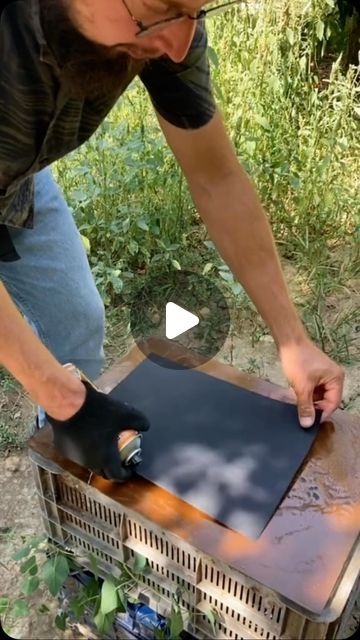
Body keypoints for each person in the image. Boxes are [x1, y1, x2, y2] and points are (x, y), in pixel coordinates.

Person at [0, 0, 344, 480]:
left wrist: (293, 341)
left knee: (78, 322)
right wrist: (62, 397)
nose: (180, 43)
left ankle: (69, 466)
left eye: (197, 10)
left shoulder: (165, 31)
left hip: (20, 179)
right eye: (159, 8)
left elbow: (216, 178)